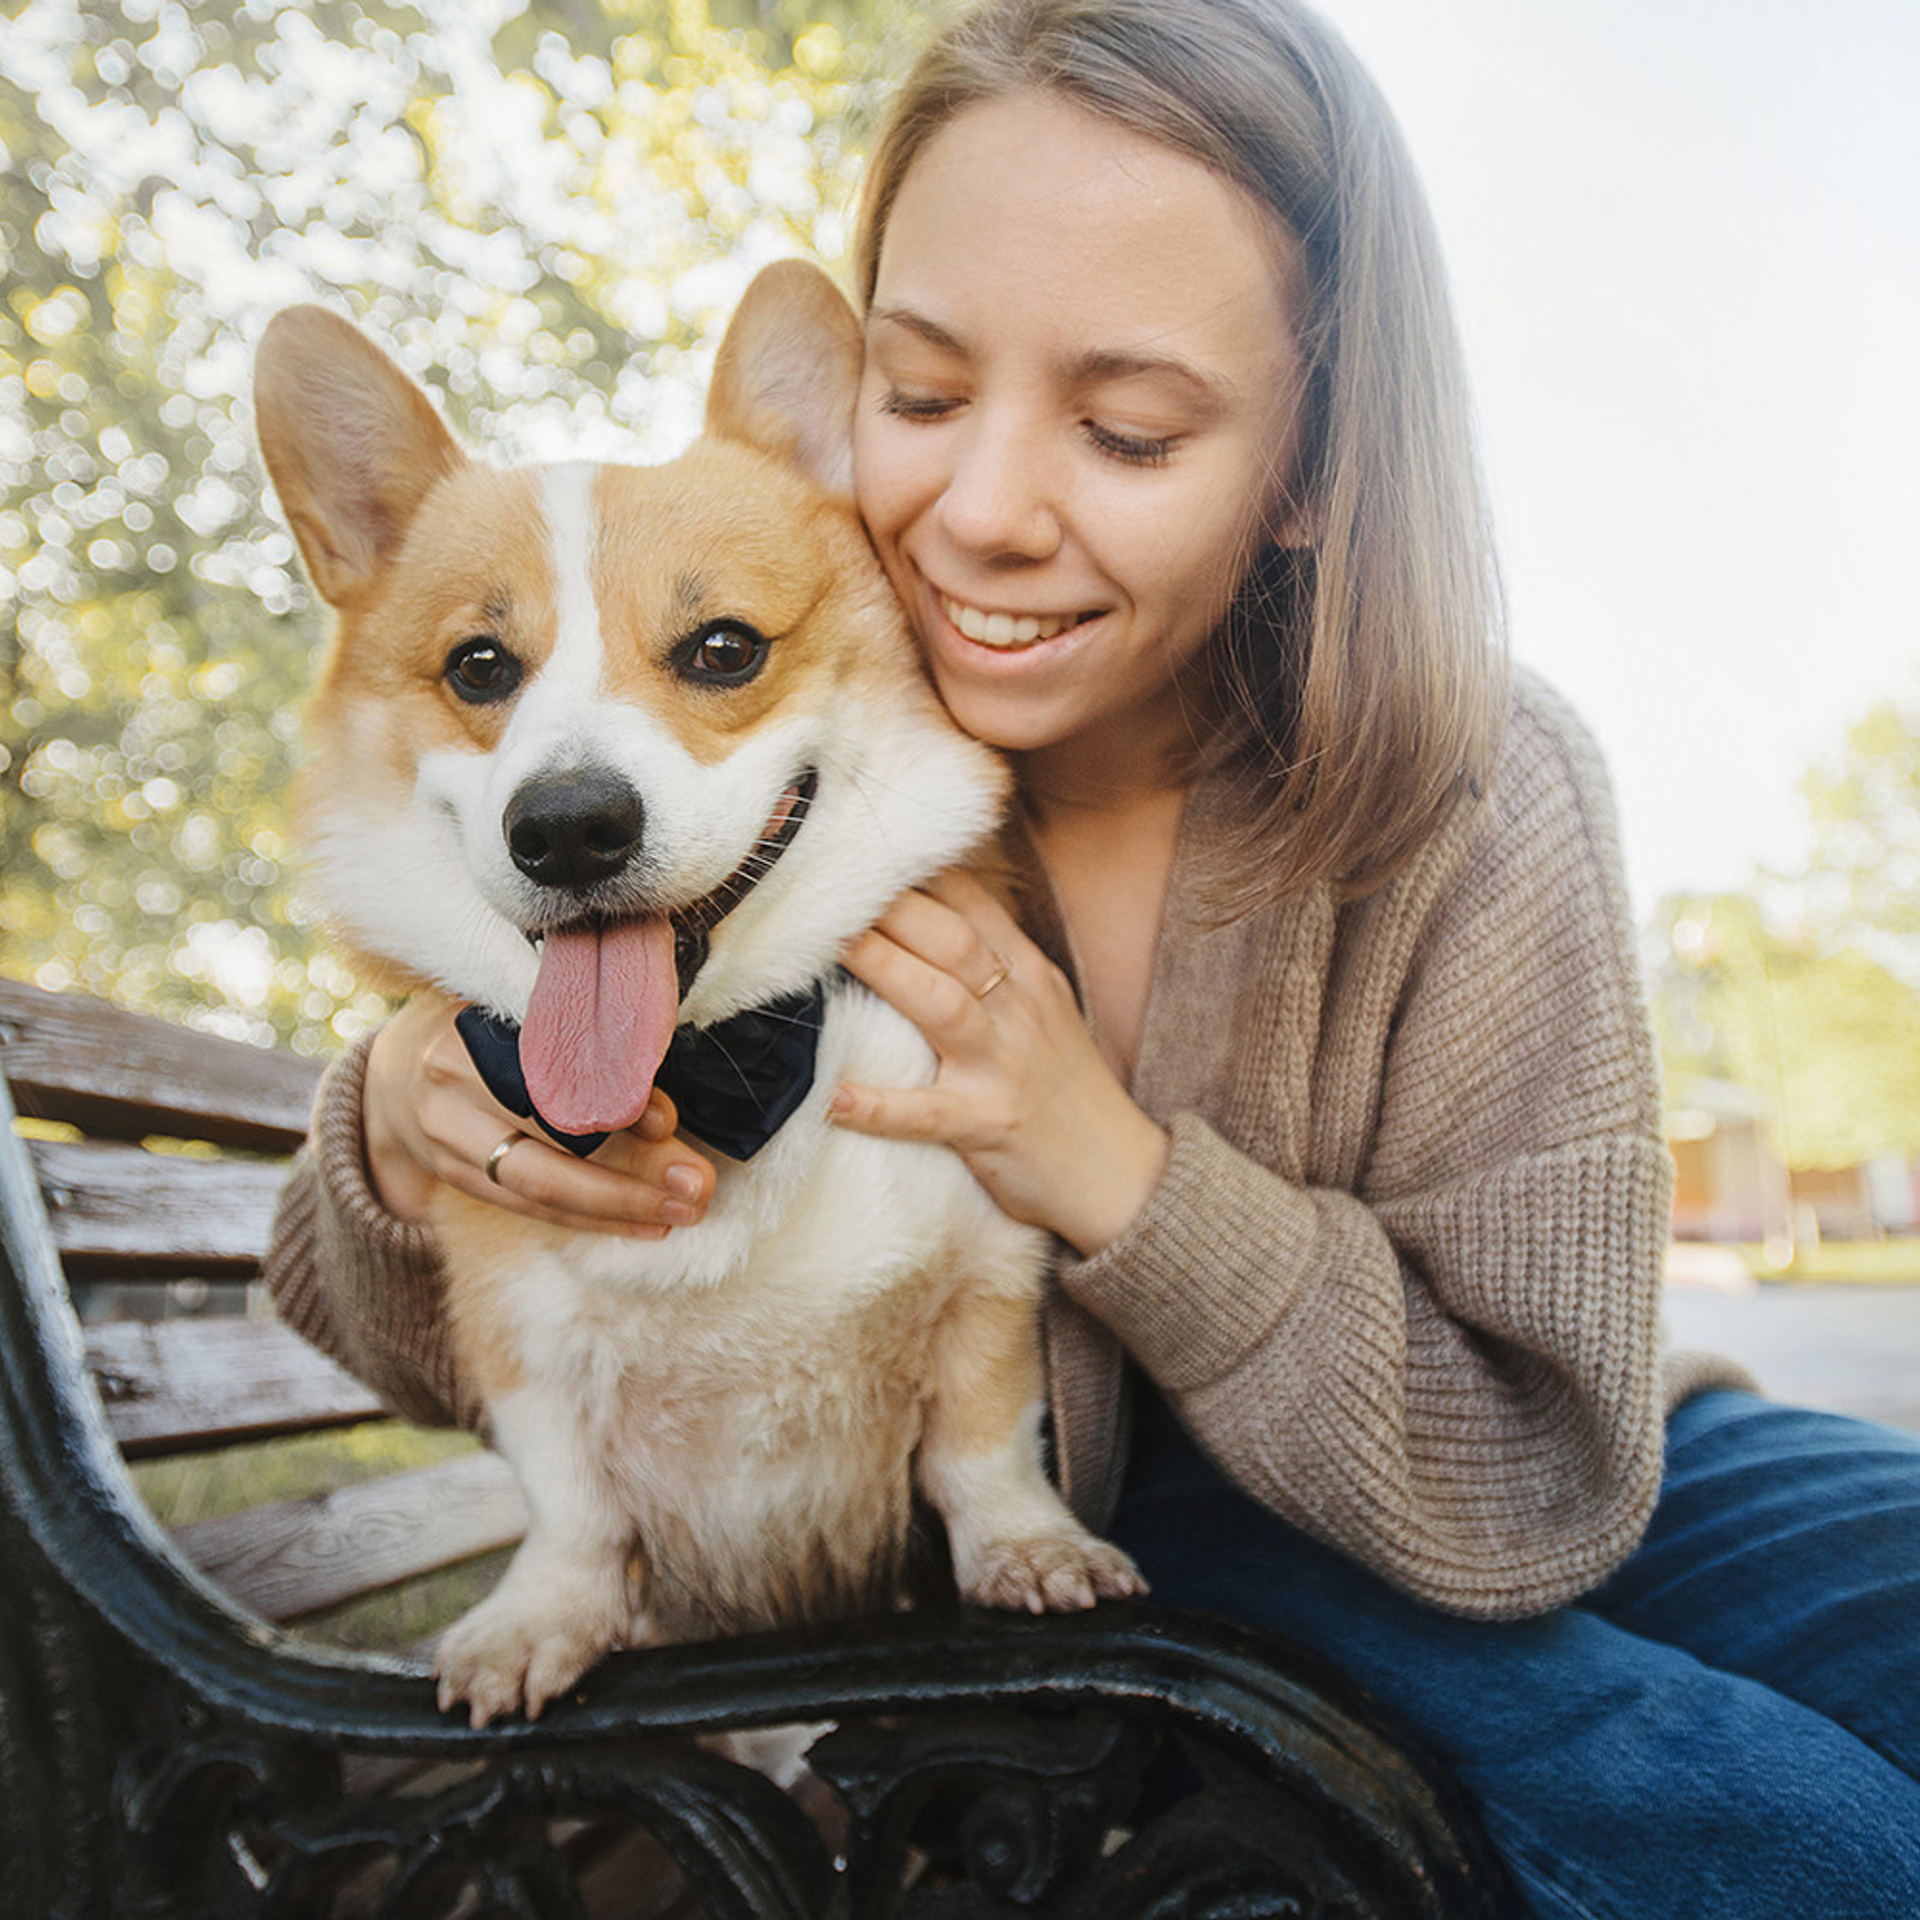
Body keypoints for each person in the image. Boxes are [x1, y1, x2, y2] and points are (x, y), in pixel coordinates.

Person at [263, 0, 1920, 1911]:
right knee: (1807, 1845)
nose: (980, 513)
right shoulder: (754, 793)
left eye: (1129, 429)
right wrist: (394, 1121)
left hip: (1578, 1472)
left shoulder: (1480, 787)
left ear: (1309, 473)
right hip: (1173, 1531)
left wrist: (1117, 1173)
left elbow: (1538, 1468)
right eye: (928, 390)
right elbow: (432, 1337)